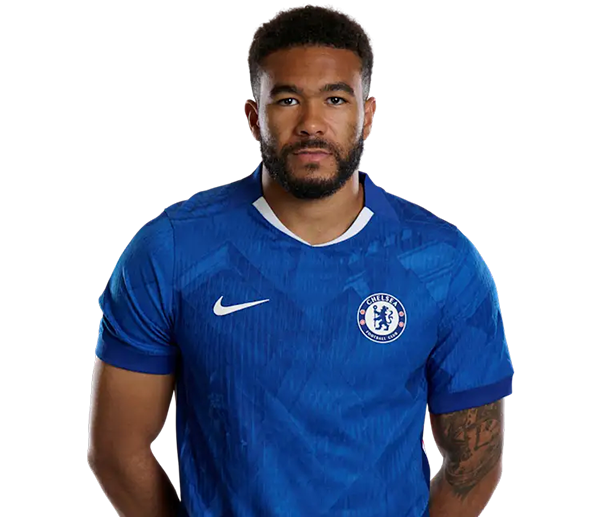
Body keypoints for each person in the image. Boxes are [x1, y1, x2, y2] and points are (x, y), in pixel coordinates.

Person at [88, 5, 514, 517]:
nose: (312, 124)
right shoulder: (171, 251)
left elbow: (475, 461)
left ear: (368, 116)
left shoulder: (442, 263)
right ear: (254, 119)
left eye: (335, 99)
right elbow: (117, 452)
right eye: (288, 99)